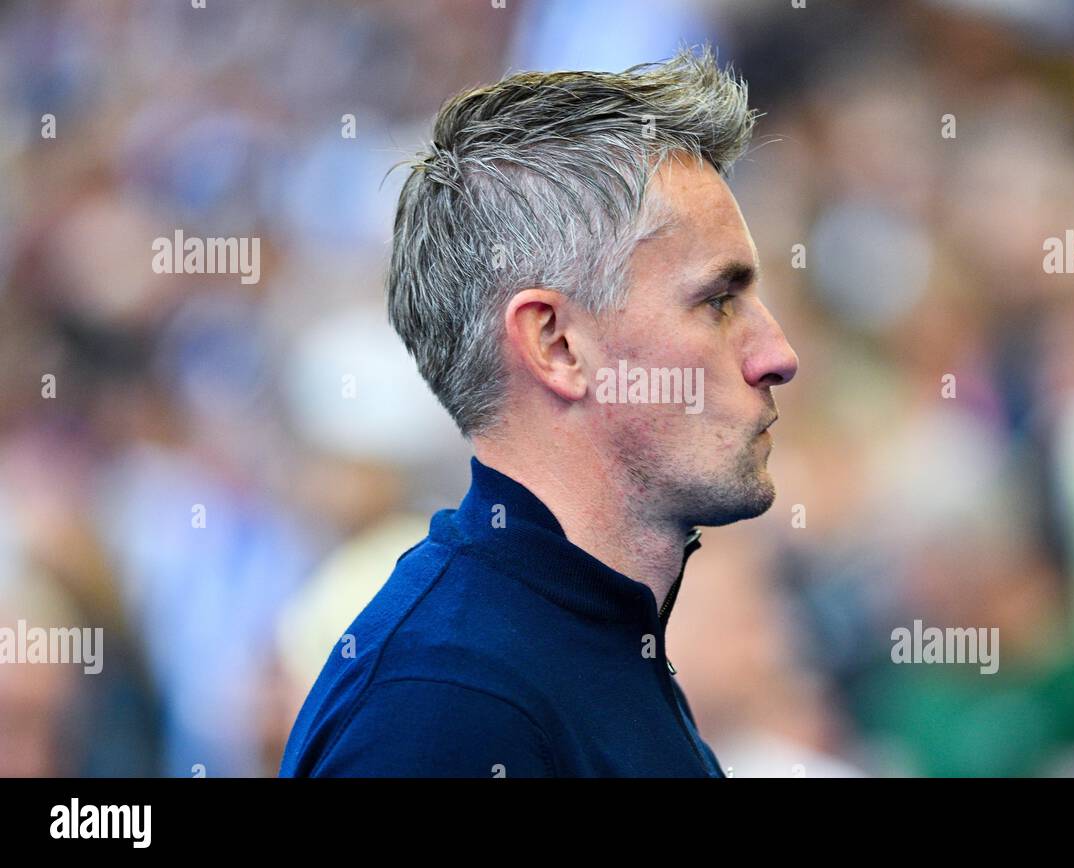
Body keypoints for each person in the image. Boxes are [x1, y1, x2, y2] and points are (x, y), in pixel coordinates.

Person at [279, 45, 798, 777]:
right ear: (556, 343)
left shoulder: (584, 645)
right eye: (717, 301)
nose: (777, 354)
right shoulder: (444, 709)